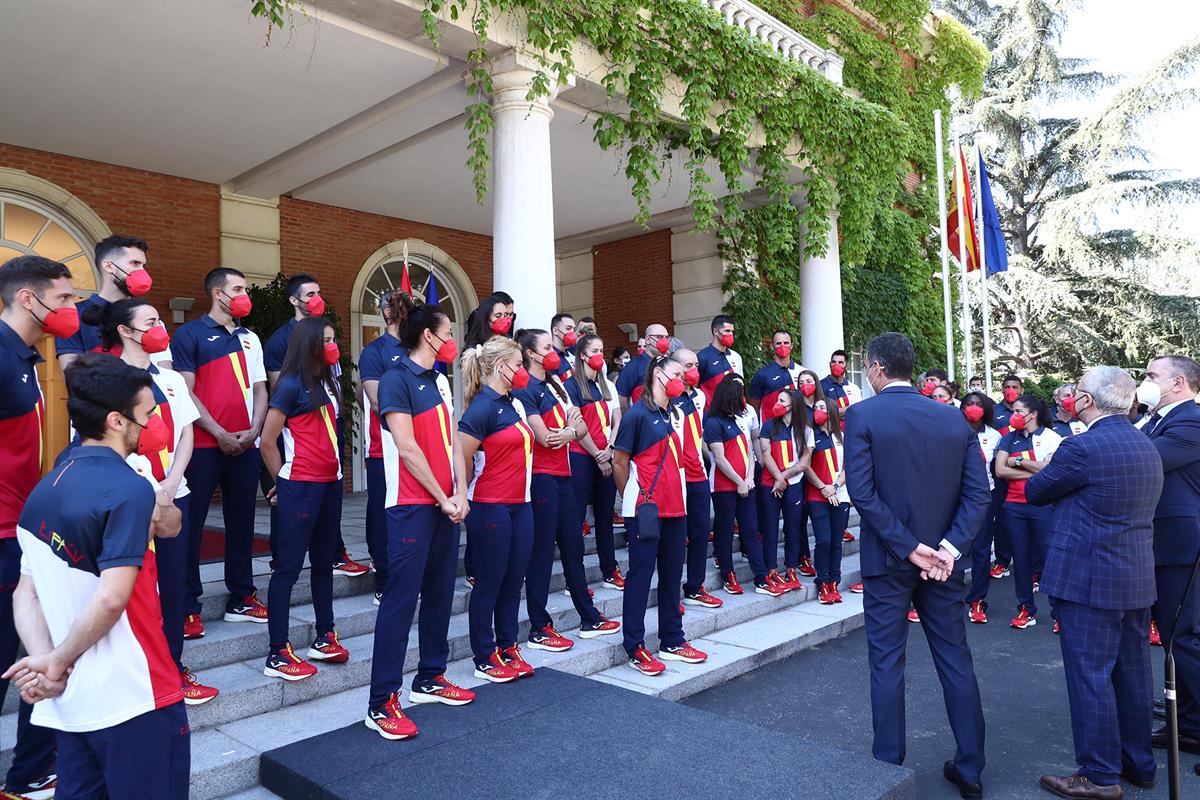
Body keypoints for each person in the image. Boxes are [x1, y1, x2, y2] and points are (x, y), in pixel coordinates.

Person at [4, 354, 189, 799]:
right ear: (116, 420)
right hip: (137, 694)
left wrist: (46, 660)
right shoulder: (127, 489)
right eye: (146, 416)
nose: (151, 427)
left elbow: (24, 595)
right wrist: (57, 661)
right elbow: (111, 599)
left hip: (71, 703)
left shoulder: (45, 488)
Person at [844, 332, 990, 800]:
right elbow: (978, 494)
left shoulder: (863, 414)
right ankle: (971, 769)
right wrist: (946, 549)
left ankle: (888, 770)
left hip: (890, 560)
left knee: (887, 663)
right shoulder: (954, 420)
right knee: (955, 659)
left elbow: (862, 493)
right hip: (943, 563)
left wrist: (910, 548)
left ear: (875, 368)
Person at [1027, 366, 1163, 799]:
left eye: (1076, 391)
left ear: (1088, 401)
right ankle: (1138, 764)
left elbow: (1036, 491)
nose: (1070, 397)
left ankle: (1100, 776)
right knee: (1133, 674)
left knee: (1091, 676)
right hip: (1135, 576)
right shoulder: (1146, 442)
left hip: (1088, 580)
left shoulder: (1081, 447)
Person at [82, 297, 219, 703]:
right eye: (151, 321)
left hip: (175, 495)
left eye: (161, 319)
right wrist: (145, 489)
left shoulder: (172, 378)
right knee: (134, 588)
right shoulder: (107, 379)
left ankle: (172, 668)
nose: (161, 327)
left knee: (174, 587)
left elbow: (186, 434)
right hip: (128, 499)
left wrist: (172, 482)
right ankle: (132, 673)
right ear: (125, 331)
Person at [366, 295, 475, 741]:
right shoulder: (395, 379)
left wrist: (460, 491)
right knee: (399, 600)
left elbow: (453, 440)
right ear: (428, 335)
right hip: (410, 505)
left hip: (444, 503)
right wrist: (441, 496)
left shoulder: (441, 380)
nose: (451, 341)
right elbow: (406, 447)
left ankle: (430, 677)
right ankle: (380, 702)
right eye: (448, 333)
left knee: (438, 594)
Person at [0, 255, 74, 798]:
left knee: (34, 653)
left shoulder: (25, 357)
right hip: (2, 536)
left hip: (22, 532)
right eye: (66, 298)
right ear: (29, 298)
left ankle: (29, 772)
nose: (73, 310)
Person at [171, 267, 269, 632]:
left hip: (246, 443)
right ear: (217, 293)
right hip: (203, 445)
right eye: (238, 289)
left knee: (242, 522)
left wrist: (255, 428)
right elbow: (186, 391)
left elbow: (261, 389)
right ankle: (186, 607)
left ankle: (242, 597)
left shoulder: (250, 338)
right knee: (192, 525)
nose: (245, 295)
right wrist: (218, 432)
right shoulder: (190, 334)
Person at [515, 329, 620, 651]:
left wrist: (569, 431)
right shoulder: (526, 389)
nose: (554, 353)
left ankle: (588, 616)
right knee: (543, 553)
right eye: (547, 348)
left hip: (563, 474)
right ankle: (539, 626)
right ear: (531, 354)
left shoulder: (556, 385)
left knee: (574, 547)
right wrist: (570, 430)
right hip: (542, 477)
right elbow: (544, 437)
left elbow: (581, 426)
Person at [260, 317, 350, 681]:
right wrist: (283, 481)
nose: (332, 346)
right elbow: (267, 440)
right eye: (325, 340)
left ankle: (324, 635)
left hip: (331, 484)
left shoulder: (330, 382)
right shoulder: (290, 384)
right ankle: (277, 652)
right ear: (309, 343)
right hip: (301, 485)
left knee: (324, 562)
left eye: (333, 340)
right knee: (288, 569)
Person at [265, 274, 366, 579]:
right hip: (298, 427)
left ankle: (335, 552)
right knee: (290, 503)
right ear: (294, 300)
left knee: (329, 497)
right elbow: (278, 390)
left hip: (329, 424)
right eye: (309, 294)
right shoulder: (281, 341)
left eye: (319, 293)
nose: (317, 299)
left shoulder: (327, 334)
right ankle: (281, 559)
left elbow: (334, 381)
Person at [613, 355, 709, 675]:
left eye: (685, 374)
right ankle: (635, 646)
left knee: (671, 576)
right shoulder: (637, 414)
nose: (683, 378)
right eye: (677, 373)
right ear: (658, 373)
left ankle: (672, 639)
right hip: (645, 510)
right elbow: (619, 462)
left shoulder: (677, 413)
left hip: (675, 507)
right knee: (640, 578)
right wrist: (636, 497)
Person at [457, 336, 536, 683]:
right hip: (490, 505)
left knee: (513, 579)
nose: (523, 371)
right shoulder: (482, 407)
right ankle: (484, 655)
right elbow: (459, 455)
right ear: (500, 366)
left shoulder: (513, 403)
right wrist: (461, 493)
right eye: (518, 365)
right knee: (489, 582)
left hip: (521, 504)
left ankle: (507, 645)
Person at [1140, 355, 1200, 755]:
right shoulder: (1162, 417)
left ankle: (1195, 727)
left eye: (1150, 376)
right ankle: (1188, 719)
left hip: (1179, 544)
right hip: (1163, 541)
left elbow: (1143, 459)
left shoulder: (1191, 420)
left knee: (1184, 635)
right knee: (1175, 635)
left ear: (1177, 383)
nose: (1144, 382)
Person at [705, 374, 784, 597]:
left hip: (745, 485)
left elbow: (749, 450)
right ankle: (728, 574)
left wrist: (749, 478)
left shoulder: (739, 419)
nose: (743, 398)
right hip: (723, 487)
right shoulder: (713, 423)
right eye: (739, 394)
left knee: (750, 529)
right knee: (725, 529)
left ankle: (761, 577)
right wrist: (739, 481)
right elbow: (719, 458)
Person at [358, 290, 410, 604]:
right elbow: (377, 401)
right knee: (382, 510)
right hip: (385, 445)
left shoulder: (418, 346)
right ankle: (384, 575)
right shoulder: (374, 351)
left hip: (421, 444)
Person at [994, 394, 1063, 630]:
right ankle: (1026, 608)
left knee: (1049, 559)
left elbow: (1050, 469)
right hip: (1014, 505)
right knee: (1020, 559)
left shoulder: (1052, 438)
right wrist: (1032, 468)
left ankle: (1059, 614)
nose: (1014, 415)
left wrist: (1017, 461)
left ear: (1033, 414)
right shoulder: (1008, 438)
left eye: (1019, 411)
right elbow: (1000, 471)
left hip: (1043, 506)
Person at [665, 341, 723, 609]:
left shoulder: (698, 397)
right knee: (675, 539)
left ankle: (695, 587)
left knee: (700, 533)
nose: (694, 371)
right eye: (688, 366)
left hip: (697, 474)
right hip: (674, 477)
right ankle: (671, 593)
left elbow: (697, 433)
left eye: (696, 366)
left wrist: (709, 457)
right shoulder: (665, 398)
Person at [565, 334, 624, 589]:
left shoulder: (603, 384)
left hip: (605, 454)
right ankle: (573, 581)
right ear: (582, 355)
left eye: (602, 349)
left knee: (605, 518)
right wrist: (597, 455)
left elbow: (616, 419)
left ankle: (609, 570)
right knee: (576, 520)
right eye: (595, 350)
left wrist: (609, 448)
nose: (600, 354)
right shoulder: (572, 386)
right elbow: (577, 424)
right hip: (582, 456)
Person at [55, 234, 151, 368]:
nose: (142, 271)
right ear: (108, 266)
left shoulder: (148, 314)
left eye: (143, 266)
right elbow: (72, 375)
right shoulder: (74, 315)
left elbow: (164, 371)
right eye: (135, 263)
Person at [758, 388, 814, 594]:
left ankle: (791, 567)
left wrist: (785, 478)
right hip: (770, 484)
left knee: (793, 527)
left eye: (782, 400)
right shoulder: (769, 425)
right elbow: (765, 453)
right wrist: (779, 479)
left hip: (794, 484)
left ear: (794, 405)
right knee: (770, 527)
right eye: (778, 399)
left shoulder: (805, 430)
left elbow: (804, 463)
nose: (777, 403)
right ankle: (771, 569)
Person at [959, 392, 1005, 625]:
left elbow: (997, 470)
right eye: (969, 404)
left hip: (984, 497)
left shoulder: (995, 436)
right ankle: (948, 596)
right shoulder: (952, 429)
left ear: (985, 409)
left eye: (978, 404)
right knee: (953, 546)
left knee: (981, 549)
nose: (973, 408)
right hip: (955, 498)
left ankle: (977, 600)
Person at [805, 397, 849, 604]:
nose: (818, 411)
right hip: (818, 495)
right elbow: (806, 465)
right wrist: (824, 488)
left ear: (831, 410)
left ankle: (834, 581)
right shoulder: (809, 434)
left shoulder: (842, 436)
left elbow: (849, 465)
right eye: (815, 408)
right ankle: (822, 581)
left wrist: (835, 487)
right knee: (823, 540)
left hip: (840, 494)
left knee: (836, 542)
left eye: (822, 407)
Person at [748, 329, 803, 423]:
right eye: (778, 343)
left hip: (797, 429)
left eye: (786, 343)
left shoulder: (802, 372)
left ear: (792, 345)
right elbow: (754, 408)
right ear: (772, 346)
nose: (783, 346)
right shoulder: (761, 375)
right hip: (770, 432)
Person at [616, 323, 669, 411]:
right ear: (647, 340)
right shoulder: (633, 366)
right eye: (659, 337)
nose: (664, 341)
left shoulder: (667, 364)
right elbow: (621, 399)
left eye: (666, 337)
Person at [695, 314, 742, 404]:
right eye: (727, 331)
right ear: (716, 332)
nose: (731, 335)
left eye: (732, 332)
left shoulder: (736, 356)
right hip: (711, 414)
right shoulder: (702, 357)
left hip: (734, 412)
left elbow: (740, 385)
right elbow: (695, 388)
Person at [549, 313, 578, 381]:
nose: (572, 332)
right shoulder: (549, 358)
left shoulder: (575, 353)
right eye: (568, 328)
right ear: (556, 331)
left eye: (574, 329)